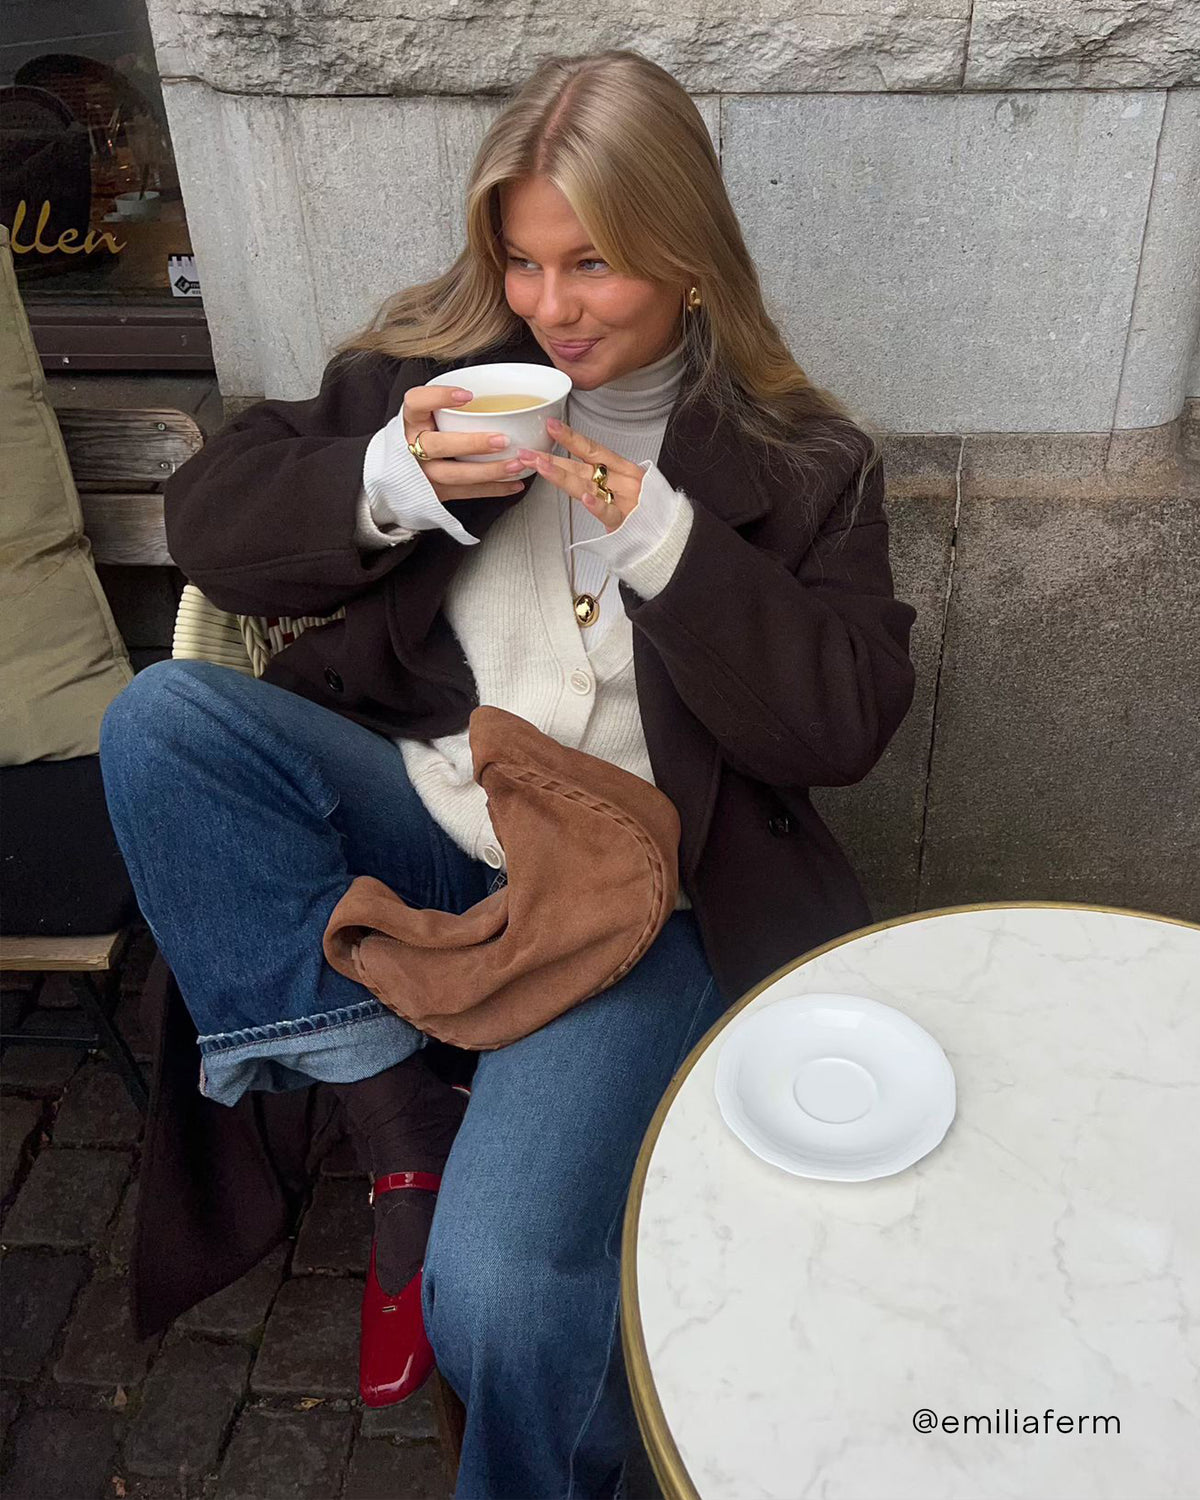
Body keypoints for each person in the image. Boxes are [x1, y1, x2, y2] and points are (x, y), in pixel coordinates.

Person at [98, 47, 917, 1500]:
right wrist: (386, 482)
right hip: (425, 815)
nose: (549, 306)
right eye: (523, 260)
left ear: (688, 257)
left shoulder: (800, 460)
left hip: (637, 896)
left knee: (496, 1303)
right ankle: (390, 1113)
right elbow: (211, 524)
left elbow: (843, 722)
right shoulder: (430, 377)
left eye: (594, 262)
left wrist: (658, 530)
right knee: (164, 725)